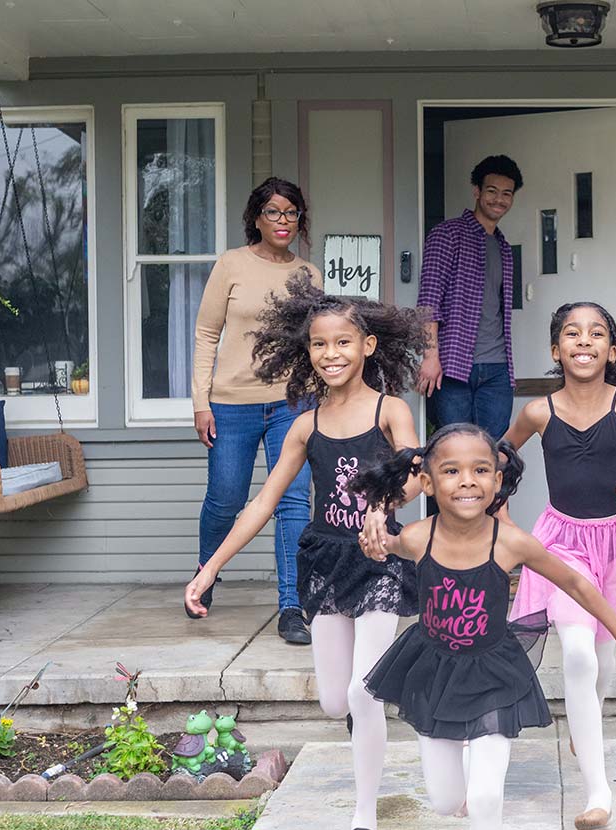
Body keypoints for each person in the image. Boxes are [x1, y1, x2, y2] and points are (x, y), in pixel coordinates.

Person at [185, 276, 427, 830]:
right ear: (307, 351)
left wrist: (383, 505)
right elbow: (260, 506)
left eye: (343, 342)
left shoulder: (390, 411)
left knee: (365, 692)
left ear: (367, 346)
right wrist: (209, 569)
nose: (331, 353)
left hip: (381, 558)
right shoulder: (304, 425)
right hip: (324, 560)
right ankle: (368, 706)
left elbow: (418, 473)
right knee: (333, 703)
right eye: (320, 344)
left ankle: (364, 812)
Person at [352, 423, 616, 830]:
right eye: (451, 471)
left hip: (493, 676)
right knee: (445, 802)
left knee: (484, 799)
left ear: (497, 480)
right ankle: (459, 764)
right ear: (426, 482)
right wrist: (373, 534)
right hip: (434, 673)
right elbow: (382, 542)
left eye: (480, 470)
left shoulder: (512, 542)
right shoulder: (416, 537)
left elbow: (574, 583)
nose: (467, 482)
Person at [501, 302, 616, 829]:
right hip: (561, 542)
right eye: (572, 334)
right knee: (576, 649)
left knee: (600, 651)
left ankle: (584, 721)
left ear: (612, 350)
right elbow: (499, 460)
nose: (584, 341)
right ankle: (598, 793)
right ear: (556, 351)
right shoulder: (538, 412)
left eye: (597, 334)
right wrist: (504, 526)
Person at [189, 177, 319, 645]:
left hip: (293, 402)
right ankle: (205, 575)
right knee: (225, 499)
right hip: (231, 404)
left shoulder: (308, 274)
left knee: (292, 502)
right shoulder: (231, 265)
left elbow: (316, 344)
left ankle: (291, 606)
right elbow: (206, 334)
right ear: (256, 218)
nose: (283, 221)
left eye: (291, 212)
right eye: (273, 212)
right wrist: (201, 401)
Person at [415, 155, 523, 440]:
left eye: (506, 193)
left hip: (498, 366)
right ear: (477, 191)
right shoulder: (446, 234)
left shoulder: (503, 246)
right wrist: (430, 356)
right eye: (491, 190)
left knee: (493, 452)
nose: (498, 199)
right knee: (453, 447)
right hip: (453, 365)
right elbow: (428, 302)